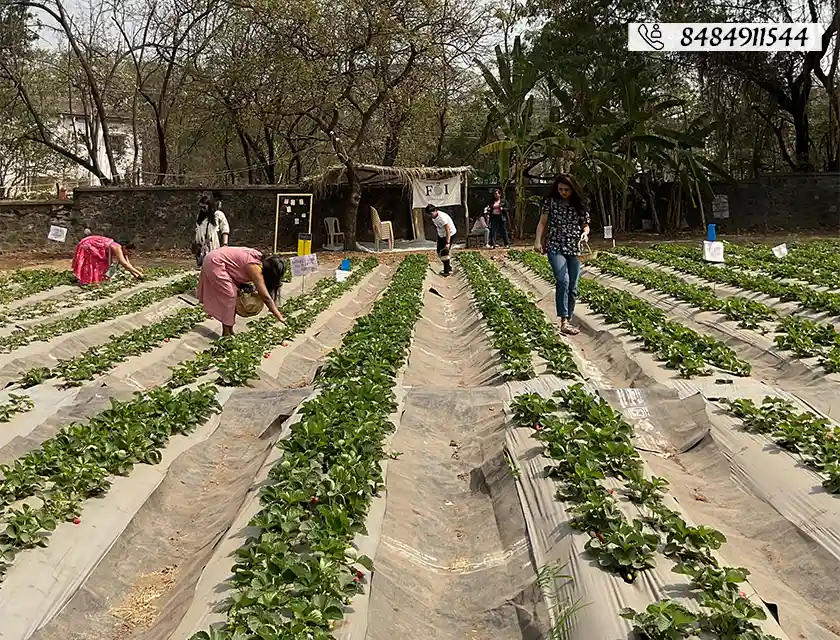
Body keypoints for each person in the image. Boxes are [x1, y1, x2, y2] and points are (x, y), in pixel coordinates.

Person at [534, 174, 590, 335]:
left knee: (573, 287)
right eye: (560, 189)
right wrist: (538, 241)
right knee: (562, 280)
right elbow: (542, 223)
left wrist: (585, 233)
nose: (563, 192)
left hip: (574, 247)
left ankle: (569, 318)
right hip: (555, 245)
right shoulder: (550, 203)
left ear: (573, 189)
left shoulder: (580, 205)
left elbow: (585, 225)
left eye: (566, 190)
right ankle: (564, 321)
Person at [197, 246, 285, 337]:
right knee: (230, 295)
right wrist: (279, 316)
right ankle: (226, 333)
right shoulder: (255, 267)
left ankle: (230, 330)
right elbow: (266, 297)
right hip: (215, 262)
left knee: (234, 295)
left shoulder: (260, 260)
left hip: (217, 258)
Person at [72, 235, 144, 285]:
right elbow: (124, 264)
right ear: (125, 247)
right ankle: (87, 280)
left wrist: (135, 274)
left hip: (95, 245)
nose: (129, 254)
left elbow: (128, 264)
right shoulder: (117, 248)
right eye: (129, 252)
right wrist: (139, 273)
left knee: (104, 264)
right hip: (89, 244)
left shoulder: (123, 251)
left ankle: (94, 280)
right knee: (94, 263)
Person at [193, 192, 230, 267]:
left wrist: (225, 244)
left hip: (214, 245)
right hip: (202, 248)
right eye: (201, 207)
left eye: (204, 208)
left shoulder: (218, 215)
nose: (202, 210)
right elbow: (198, 231)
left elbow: (225, 229)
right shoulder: (200, 217)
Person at [425, 204, 457, 277]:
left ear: (435, 210)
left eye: (431, 213)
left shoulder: (442, 218)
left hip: (450, 234)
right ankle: (448, 266)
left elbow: (447, 230)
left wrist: (448, 242)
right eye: (429, 214)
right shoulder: (434, 217)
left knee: (445, 252)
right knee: (439, 251)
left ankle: (447, 271)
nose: (430, 215)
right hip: (441, 235)